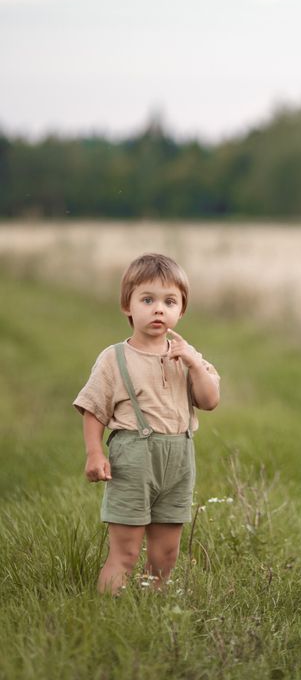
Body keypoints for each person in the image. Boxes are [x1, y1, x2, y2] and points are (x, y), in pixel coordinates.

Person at [74, 252, 220, 594]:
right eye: (148, 299)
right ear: (128, 306)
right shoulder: (115, 358)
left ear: (181, 310)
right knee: (124, 552)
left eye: (169, 301)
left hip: (179, 460)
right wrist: (94, 453)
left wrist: (195, 364)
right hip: (133, 459)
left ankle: (153, 607)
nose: (159, 309)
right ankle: (110, 613)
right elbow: (94, 409)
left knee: (166, 554)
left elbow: (210, 401)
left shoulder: (187, 355)